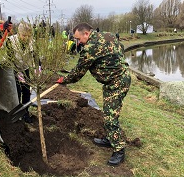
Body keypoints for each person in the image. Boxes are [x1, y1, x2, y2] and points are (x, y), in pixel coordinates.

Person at [56, 22, 131, 166]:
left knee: (110, 116)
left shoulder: (90, 48)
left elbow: (78, 72)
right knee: (110, 112)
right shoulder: (108, 35)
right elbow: (120, 48)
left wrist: (63, 80)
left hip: (117, 82)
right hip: (118, 78)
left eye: (79, 39)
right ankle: (110, 138)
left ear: (86, 33)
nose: (79, 42)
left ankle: (119, 150)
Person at [6, 22, 35, 123]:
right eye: (24, 35)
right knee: (17, 91)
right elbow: (10, 58)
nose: (26, 38)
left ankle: (25, 113)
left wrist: (38, 68)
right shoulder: (10, 41)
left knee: (27, 90)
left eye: (28, 36)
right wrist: (18, 74)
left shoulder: (31, 41)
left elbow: (35, 55)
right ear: (19, 33)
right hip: (12, 68)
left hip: (25, 67)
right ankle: (16, 113)